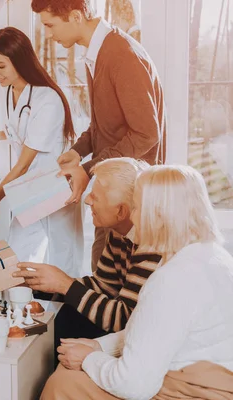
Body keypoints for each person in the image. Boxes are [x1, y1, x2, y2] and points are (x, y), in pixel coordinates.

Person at [41, 165, 233, 400]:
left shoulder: (171, 278)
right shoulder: (211, 254)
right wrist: (99, 347)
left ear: (159, 215)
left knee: (63, 383)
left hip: (194, 388)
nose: (132, 216)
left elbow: (135, 384)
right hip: (204, 375)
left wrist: (89, 358)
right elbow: (149, 329)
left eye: (138, 207)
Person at [30, 0, 166, 270]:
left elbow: (146, 134)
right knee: (99, 267)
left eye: (50, 25)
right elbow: (103, 124)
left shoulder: (121, 54)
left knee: (112, 281)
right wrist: (78, 151)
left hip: (130, 196)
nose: (48, 35)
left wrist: (88, 168)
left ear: (76, 16)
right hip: (112, 188)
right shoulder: (99, 52)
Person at [0, 26, 84, 278]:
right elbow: (18, 131)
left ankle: (64, 315)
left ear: (20, 60)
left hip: (53, 185)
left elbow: (23, 163)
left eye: (1, 66)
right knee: (17, 253)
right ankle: (20, 313)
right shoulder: (12, 91)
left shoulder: (47, 99)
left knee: (62, 256)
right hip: (31, 187)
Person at [14, 158, 161, 352]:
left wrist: (65, 284)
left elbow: (124, 320)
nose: (87, 199)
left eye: (95, 196)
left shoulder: (151, 245)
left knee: (72, 313)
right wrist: (36, 283)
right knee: (71, 310)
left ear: (121, 211)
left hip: (144, 338)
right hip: (126, 326)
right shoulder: (119, 233)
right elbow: (104, 287)